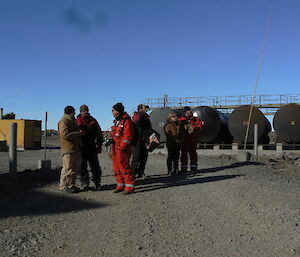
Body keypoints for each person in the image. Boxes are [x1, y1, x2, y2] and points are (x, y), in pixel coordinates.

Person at [58, 106, 84, 193]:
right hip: (68, 148)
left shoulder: (71, 121)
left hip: (74, 148)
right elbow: (65, 134)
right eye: (74, 112)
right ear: (71, 112)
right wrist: (78, 134)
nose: (75, 114)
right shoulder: (64, 121)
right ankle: (64, 186)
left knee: (74, 168)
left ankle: (71, 185)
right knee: (67, 168)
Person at [76, 105, 103, 190]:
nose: (86, 112)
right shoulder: (77, 121)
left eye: (87, 110)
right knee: (82, 166)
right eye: (84, 110)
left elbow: (99, 133)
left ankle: (97, 182)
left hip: (92, 146)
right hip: (81, 147)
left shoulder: (93, 120)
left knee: (95, 166)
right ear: (80, 112)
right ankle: (85, 183)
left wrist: (99, 144)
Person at [110, 102, 135, 194]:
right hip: (116, 148)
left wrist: (121, 147)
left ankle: (129, 186)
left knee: (124, 166)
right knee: (116, 167)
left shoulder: (126, 121)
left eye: (113, 110)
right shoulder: (118, 121)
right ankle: (120, 184)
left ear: (118, 111)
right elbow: (116, 134)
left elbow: (128, 136)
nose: (112, 112)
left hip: (123, 149)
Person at [178, 106, 203, 172]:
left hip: (193, 139)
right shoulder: (181, 120)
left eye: (190, 111)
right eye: (189, 111)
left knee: (193, 154)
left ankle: (193, 167)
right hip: (184, 140)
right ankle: (184, 168)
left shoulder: (195, 119)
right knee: (183, 154)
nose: (190, 111)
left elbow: (200, 126)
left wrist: (192, 127)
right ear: (186, 112)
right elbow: (177, 129)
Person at [131, 104, 152, 178]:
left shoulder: (146, 116)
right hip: (137, 139)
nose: (146, 109)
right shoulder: (136, 115)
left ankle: (141, 172)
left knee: (144, 156)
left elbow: (149, 127)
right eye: (145, 108)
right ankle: (133, 173)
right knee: (136, 156)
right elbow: (136, 122)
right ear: (140, 109)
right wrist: (143, 114)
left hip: (145, 139)